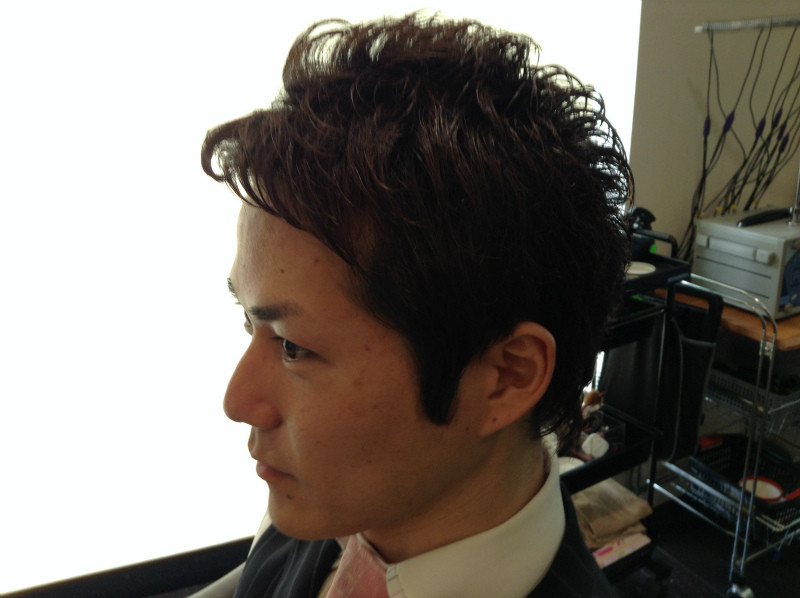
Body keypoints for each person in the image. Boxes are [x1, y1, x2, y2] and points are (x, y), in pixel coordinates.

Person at [198, 12, 631, 598]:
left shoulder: (342, 478)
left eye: (294, 347)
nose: (238, 401)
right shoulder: (337, 495)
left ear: (507, 376)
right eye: (248, 321)